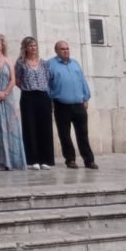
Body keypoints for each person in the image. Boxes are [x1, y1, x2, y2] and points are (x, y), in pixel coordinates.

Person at [48, 40, 97, 170]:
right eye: (62, 49)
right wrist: (50, 100)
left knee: (83, 134)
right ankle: (70, 159)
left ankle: (89, 160)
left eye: (67, 48)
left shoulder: (75, 63)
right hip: (61, 105)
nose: (66, 51)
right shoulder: (50, 65)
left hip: (79, 105)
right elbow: (47, 85)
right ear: (56, 51)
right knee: (64, 134)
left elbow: (82, 80)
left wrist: (86, 97)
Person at [0, 33, 26, 170]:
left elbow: (13, 80)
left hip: (8, 98)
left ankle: (12, 161)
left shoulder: (8, 60)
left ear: (2, 45)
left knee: (9, 126)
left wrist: (5, 94)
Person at [15, 36, 56, 170]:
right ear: (25, 48)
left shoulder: (44, 63)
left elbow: (48, 78)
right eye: (30, 45)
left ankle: (46, 159)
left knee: (45, 127)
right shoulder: (21, 63)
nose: (33, 48)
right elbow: (16, 79)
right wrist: (26, 88)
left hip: (43, 96)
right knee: (30, 126)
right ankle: (33, 160)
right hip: (28, 96)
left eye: (35, 45)